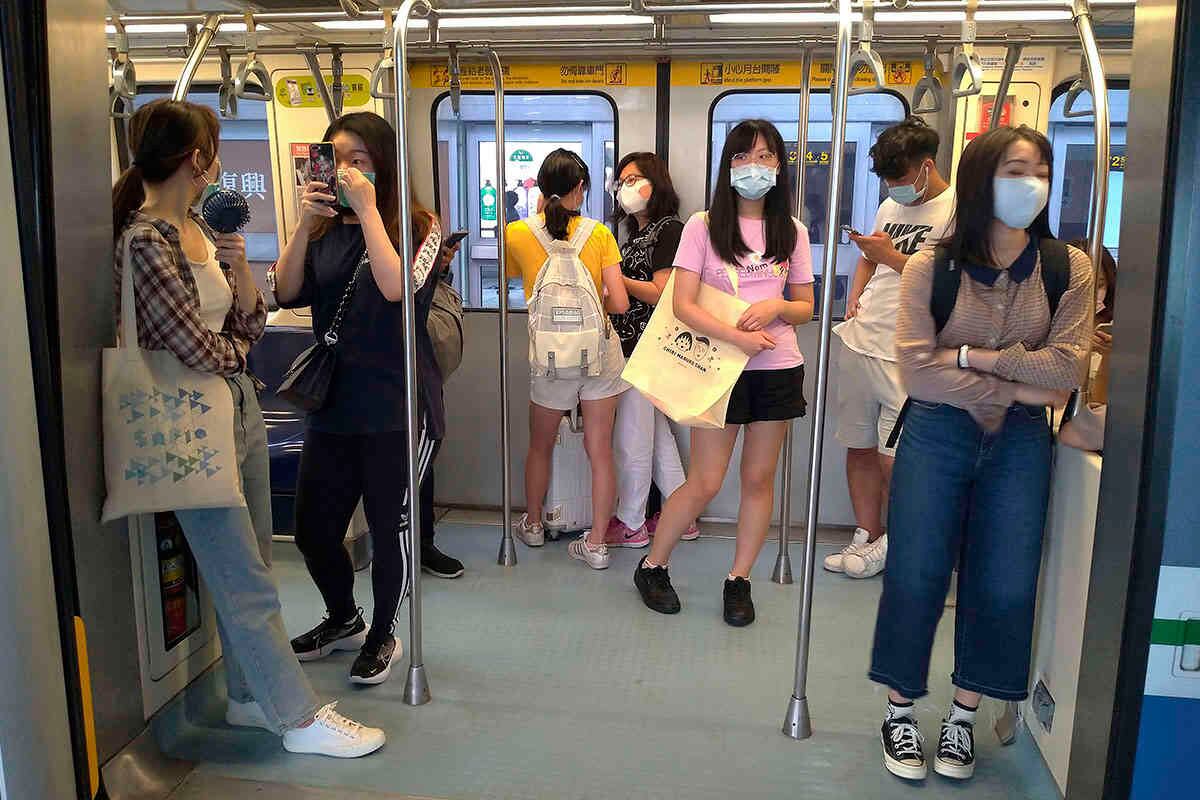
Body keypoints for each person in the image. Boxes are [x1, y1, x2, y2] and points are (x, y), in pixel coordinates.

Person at [112, 99, 383, 756]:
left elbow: (254, 319)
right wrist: (234, 349)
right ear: (193, 158)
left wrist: (236, 268)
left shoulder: (200, 230)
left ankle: (243, 696)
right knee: (245, 577)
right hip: (186, 420)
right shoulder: (145, 240)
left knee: (256, 558)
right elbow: (196, 345)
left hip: (233, 407)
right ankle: (296, 718)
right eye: (210, 149)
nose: (217, 163)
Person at [870, 126, 1093, 782]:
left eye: (1041, 171)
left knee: (1004, 580)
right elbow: (916, 371)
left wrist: (968, 357)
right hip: (937, 431)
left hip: (1022, 442)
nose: (1032, 184)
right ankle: (901, 710)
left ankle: (963, 716)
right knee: (916, 572)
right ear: (980, 179)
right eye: (1016, 169)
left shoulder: (1067, 269)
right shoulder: (928, 267)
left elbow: (1070, 369)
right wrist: (1014, 382)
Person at [272, 111, 448, 685]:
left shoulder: (423, 226)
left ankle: (383, 634)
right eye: (336, 159)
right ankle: (343, 616)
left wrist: (371, 210)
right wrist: (304, 223)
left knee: (389, 527)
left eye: (359, 161)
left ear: (384, 167)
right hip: (334, 403)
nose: (344, 172)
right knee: (312, 529)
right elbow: (286, 289)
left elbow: (398, 287)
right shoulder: (323, 227)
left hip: (396, 406)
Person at [633, 119, 814, 627]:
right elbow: (683, 305)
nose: (752, 167)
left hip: (778, 368)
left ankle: (739, 579)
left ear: (779, 166)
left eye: (763, 157)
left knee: (759, 480)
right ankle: (652, 565)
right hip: (719, 366)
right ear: (727, 166)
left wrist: (777, 305)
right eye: (741, 157)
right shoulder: (702, 225)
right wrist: (736, 335)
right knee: (707, 480)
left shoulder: (792, 231)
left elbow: (806, 307)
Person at [828, 117, 956, 580]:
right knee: (859, 446)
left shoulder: (956, 211)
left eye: (899, 178)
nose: (893, 187)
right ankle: (866, 534)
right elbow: (869, 260)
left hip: (909, 354)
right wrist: (854, 298)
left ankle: (898, 545)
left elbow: (950, 285)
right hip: (864, 340)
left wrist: (892, 258)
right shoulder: (889, 206)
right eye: (886, 179)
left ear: (926, 166)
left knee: (897, 462)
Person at [504, 149, 631, 569]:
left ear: (541, 189)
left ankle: (535, 526)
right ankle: (596, 544)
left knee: (539, 447)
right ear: (581, 189)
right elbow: (620, 302)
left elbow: (510, 277)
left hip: (550, 359)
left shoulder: (517, 233)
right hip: (598, 356)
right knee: (600, 450)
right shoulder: (600, 234)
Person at [605, 152, 700, 549]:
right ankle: (684, 516)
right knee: (657, 434)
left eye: (634, 179)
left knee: (634, 437)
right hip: (632, 344)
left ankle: (630, 522)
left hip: (647, 346)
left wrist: (616, 279)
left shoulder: (670, 230)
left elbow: (665, 294)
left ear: (655, 183)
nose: (626, 189)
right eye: (621, 181)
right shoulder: (636, 234)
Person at [1066, 238, 1116, 403]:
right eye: (1080, 284)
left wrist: (1108, 357)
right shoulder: (1044, 324)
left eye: (1100, 285)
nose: (1091, 294)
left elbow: (1100, 404)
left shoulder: (1115, 329)